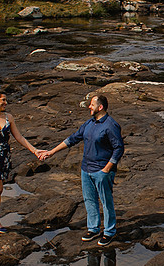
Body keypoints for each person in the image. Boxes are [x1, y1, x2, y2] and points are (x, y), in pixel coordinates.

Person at [40, 93, 124, 246]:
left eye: (91, 104)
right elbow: (73, 138)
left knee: (106, 202)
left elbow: (118, 148)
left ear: (101, 107)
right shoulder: (89, 123)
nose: (89, 107)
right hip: (86, 169)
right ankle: (93, 229)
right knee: (89, 200)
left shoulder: (111, 125)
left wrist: (107, 168)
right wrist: (51, 152)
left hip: (102, 171)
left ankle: (109, 232)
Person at [0, 88, 45, 234]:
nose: (6, 102)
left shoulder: (8, 117)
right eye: (3, 100)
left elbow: (19, 137)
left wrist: (34, 150)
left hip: (3, 158)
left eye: (6, 100)